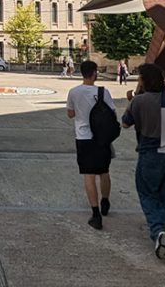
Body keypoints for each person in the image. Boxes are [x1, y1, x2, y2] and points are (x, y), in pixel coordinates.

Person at [121, 63, 165, 258]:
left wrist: (133, 99)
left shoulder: (139, 101)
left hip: (149, 155)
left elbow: (125, 124)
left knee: (147, 194)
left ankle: (158, 229)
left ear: (144, 81)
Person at [67, 60, 116, 230]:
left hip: (83, 137)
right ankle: (105, 200)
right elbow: (112, 113)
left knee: (88, 174)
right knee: (104, 171)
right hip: (101, 138)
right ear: (95, 73)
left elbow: (70, 114)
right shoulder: (104, 92)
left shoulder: (74, 92)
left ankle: (95, 214)